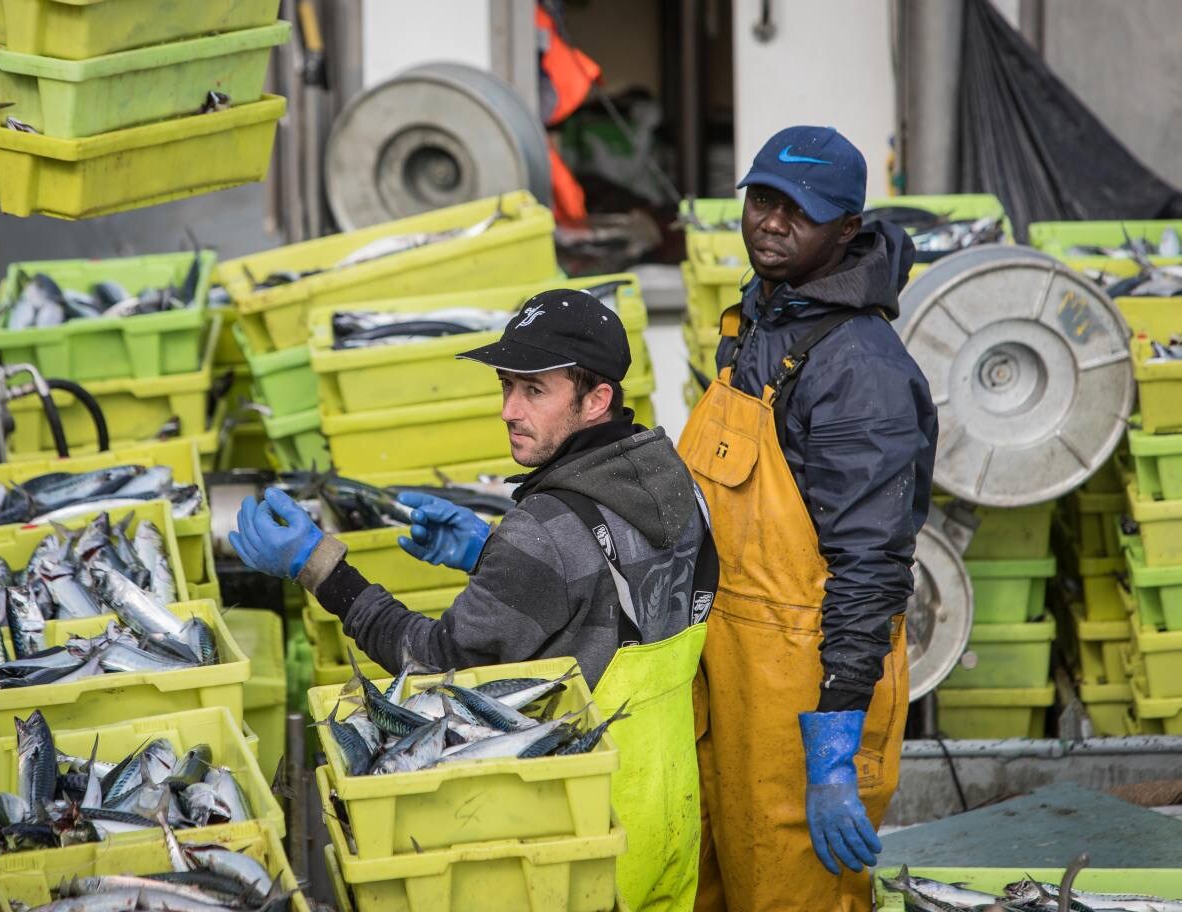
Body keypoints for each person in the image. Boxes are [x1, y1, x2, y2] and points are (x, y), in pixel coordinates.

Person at [231, 288, 712, 912]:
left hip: (581, 838)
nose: (510, 410)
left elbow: (436, 665)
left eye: (535, 391)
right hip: (670, 819)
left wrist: (318, 566)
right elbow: (607, 593)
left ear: (596, 400)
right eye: (507, 386)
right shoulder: (675, 484)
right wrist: (488, 551)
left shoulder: (542, 533)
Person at [679, 126, 937, 912]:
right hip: (724, 668)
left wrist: (833, 742)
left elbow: (870, 569)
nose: (772, 221)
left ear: (847, 229)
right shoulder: (760, 320)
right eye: (762, 199)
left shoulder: (861, 370)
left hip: (807, 690)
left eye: (800, 209)